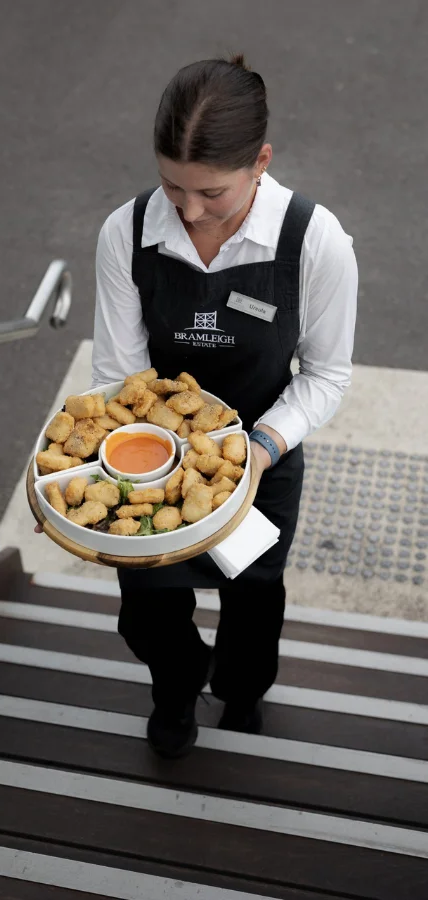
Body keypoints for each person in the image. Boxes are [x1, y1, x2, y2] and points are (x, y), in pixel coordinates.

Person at [91, 56, 358, 758]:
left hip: (263, 461)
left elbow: (327, 374)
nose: (187, 210)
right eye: (171, 185)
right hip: (152, 462)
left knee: (252, 598)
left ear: (261, 161)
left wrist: (261, 449)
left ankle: (242, 690)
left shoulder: (314, 240)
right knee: (147, 609)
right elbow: (120, 372)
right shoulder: (125, 233)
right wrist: (156, 457)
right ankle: (176, 689)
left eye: (212, 192)